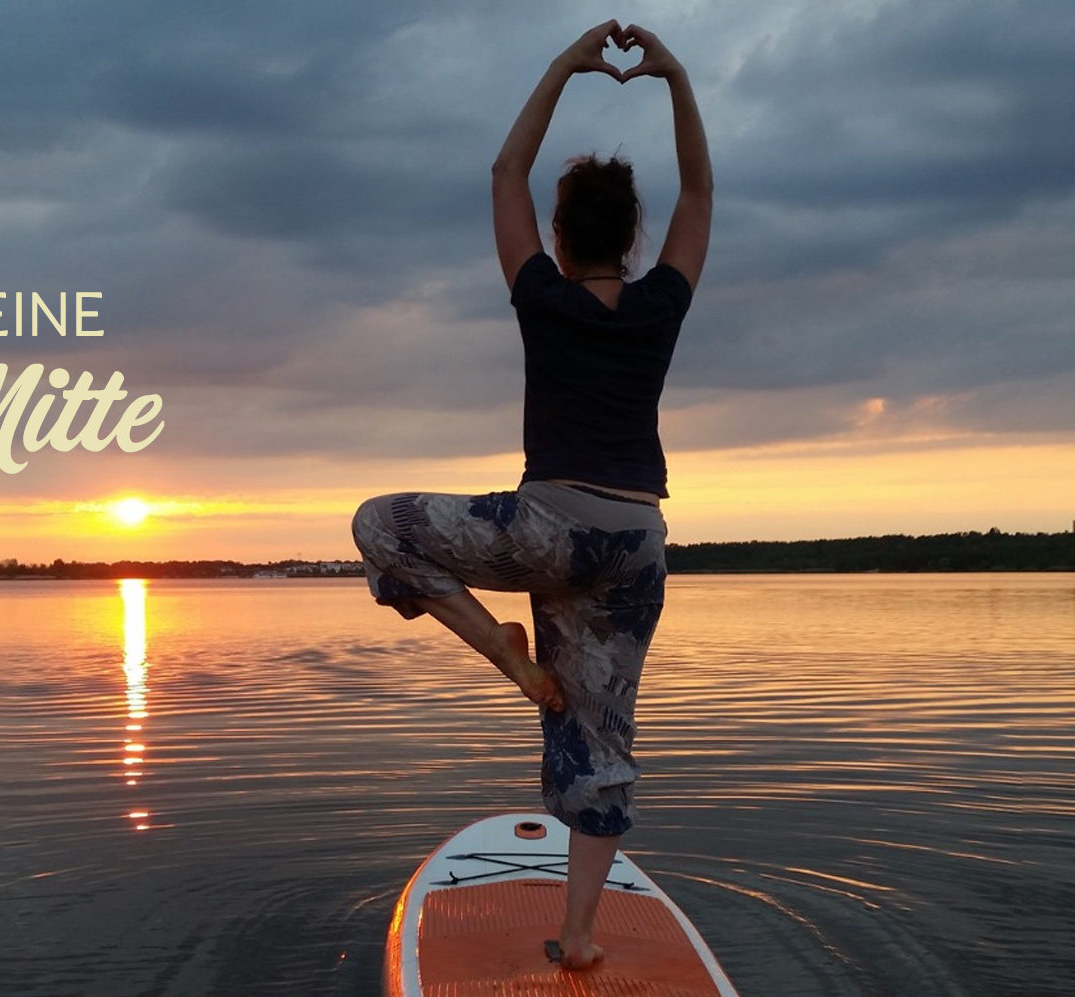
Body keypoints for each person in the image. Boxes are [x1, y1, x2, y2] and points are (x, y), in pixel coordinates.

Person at [349, 20, 711, 972]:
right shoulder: (662, 302)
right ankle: (580, 934)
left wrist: (563, 64)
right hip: (635, 543)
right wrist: (671, 78)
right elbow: (703, 192)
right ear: (633, 236)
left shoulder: (539, 295)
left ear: (556, 234)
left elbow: (505, 173)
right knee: (603, 744)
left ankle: (504, 656)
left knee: (378, 524)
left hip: (546, 528)